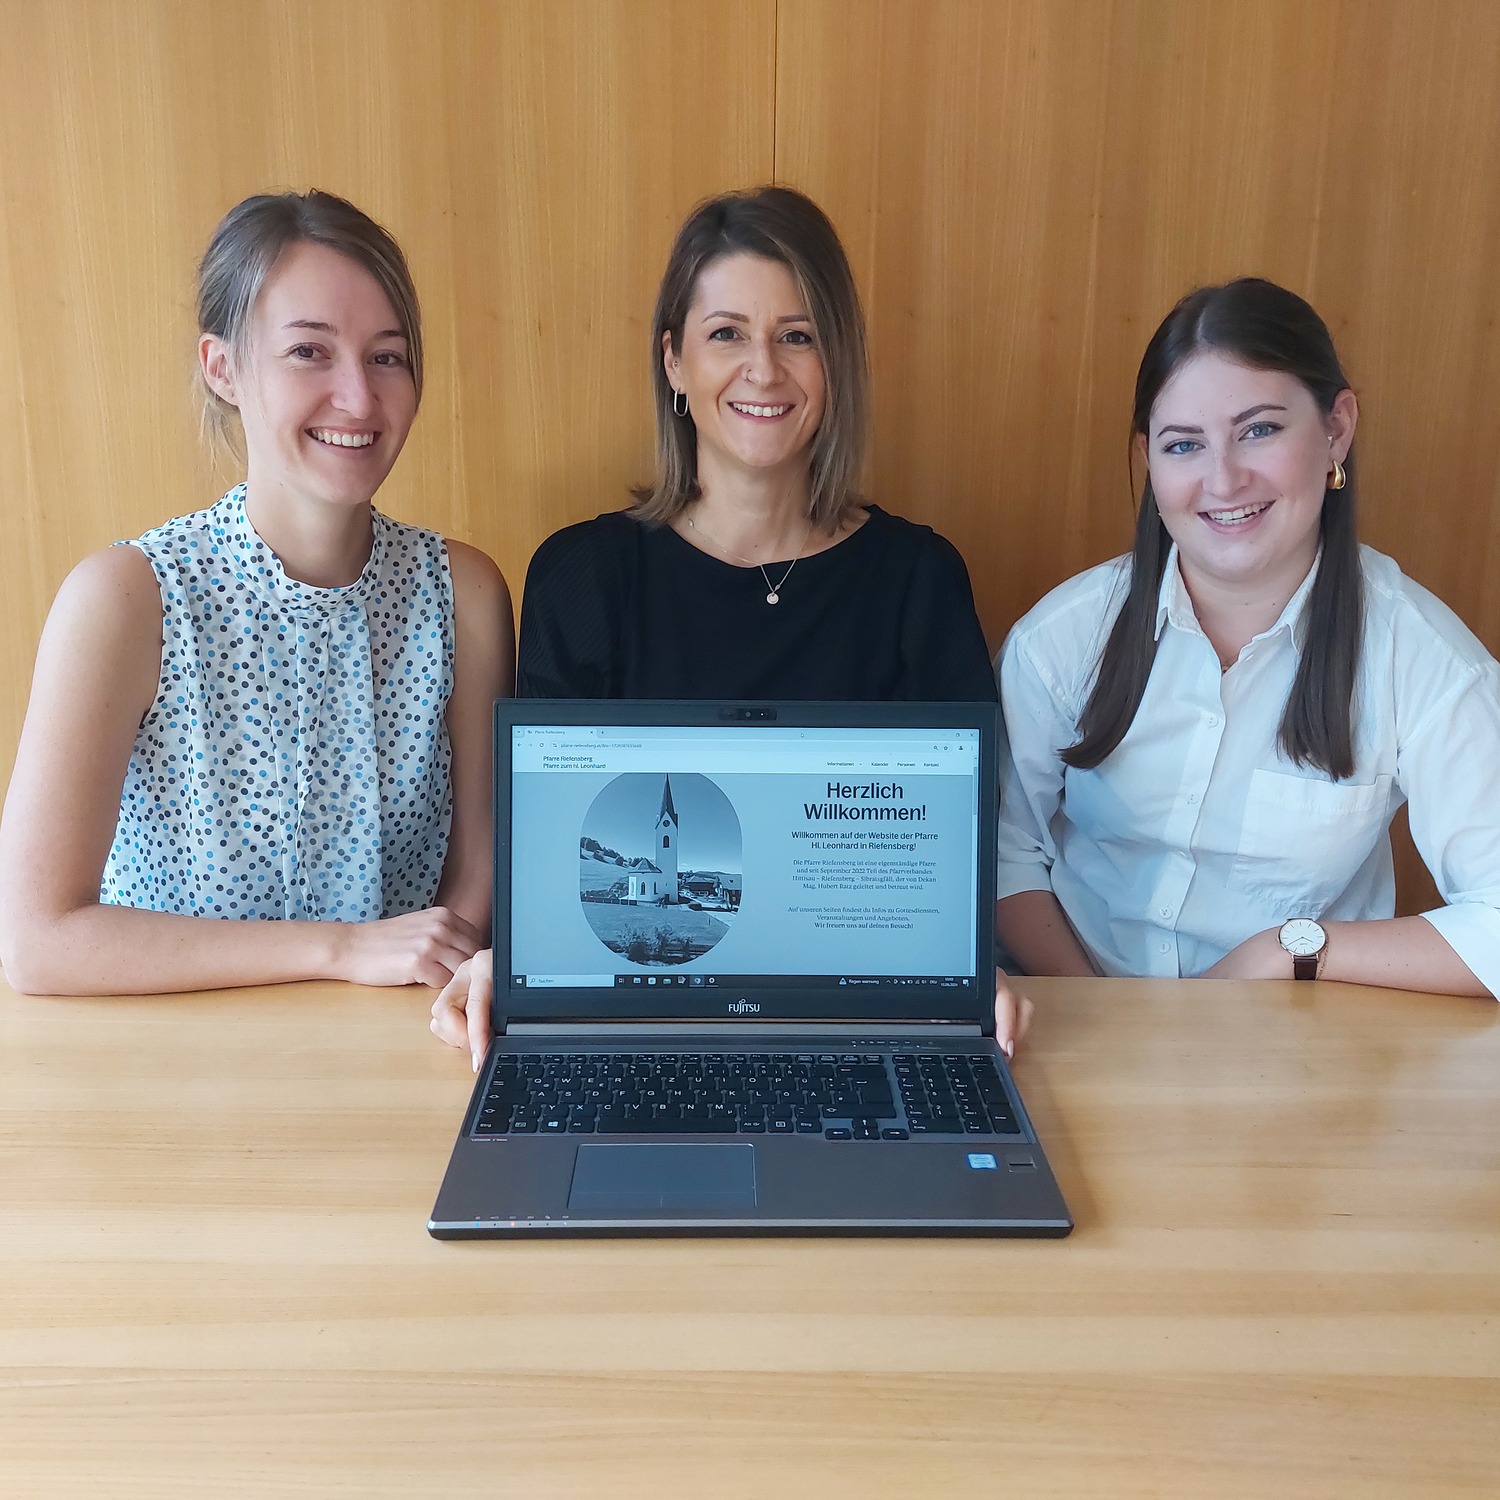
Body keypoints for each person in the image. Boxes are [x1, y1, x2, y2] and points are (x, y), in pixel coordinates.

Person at [430, 184, 1028, 1066]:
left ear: (838, 362)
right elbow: (547, 855)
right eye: (726, 334)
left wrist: (968, 974)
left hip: (855, 1032)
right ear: (674, 361)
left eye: (798, 336)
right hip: (635, 1035)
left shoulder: (920, 579)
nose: (764, 370)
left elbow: (953, 861)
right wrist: (508, 962)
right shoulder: (583, 576)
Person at [0, 190, 513, 995]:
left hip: (396, 1041)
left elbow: (476, 875)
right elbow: (37, 940)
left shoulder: (464, 592)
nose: (359, 397)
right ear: (223, 368)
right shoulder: (127, 599)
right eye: (309, 351)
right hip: (170, 1048)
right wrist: (339, 950)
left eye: (387, 357)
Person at [995, 277, 1500, 998]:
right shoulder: (1062, 639)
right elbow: (1006, 855)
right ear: (1149, 462)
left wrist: (1289, 950)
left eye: (1259, 430)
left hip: (1295, 1036)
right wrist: (1105, 1017)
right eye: (1183, 445)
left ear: (1336, 429)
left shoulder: (1422, 657)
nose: (1223, 480)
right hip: (1079, 1020)